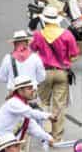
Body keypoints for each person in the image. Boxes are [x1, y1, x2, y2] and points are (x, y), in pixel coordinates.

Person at [30, 8, 78, 141]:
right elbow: (74, 55)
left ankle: (45, 132)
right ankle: (57, 136)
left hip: (44, 72)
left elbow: (33, 49)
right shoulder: (67, 34)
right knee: (59, 105)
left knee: (43, 102)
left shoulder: (39, 35)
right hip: (62, 72)